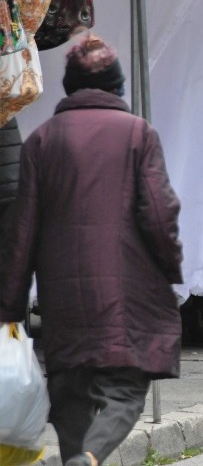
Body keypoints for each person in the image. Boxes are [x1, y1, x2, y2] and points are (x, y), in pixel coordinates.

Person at [0, 34, 183, 466]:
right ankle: (91, 456)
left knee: (69, 393)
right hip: (127, 287)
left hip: (62, 293)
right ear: (117, 86)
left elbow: (20, 230)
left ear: (71, 87)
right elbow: (160, 213)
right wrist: (171, 266)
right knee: (126, 386)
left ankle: (77, 457)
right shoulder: (139, 133)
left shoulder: (42, 141)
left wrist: (8, 305)